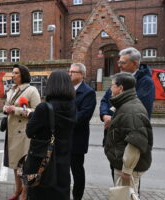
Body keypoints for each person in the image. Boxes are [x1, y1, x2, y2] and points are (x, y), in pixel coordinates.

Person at [100, 47, 155, 181]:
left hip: (128, 138)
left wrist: (112, 119)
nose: (119, 65)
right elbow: (105, 100)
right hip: (114, 139)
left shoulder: (145, 82)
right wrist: (104, 115)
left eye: (122, 63)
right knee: (117, 181)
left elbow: (138, 110)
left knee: (129, 185)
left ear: (135, 63)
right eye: (118, 62)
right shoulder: (118, 79)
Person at [26, 69, 76, 200]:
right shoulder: (72, 106)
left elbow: (29, 132)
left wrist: (32, 116)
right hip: (64, 159)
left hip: (44, 160)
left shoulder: (44, 107)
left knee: (42, 193)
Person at [104, 72, 153, 195]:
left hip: (127, 169)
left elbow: (135, 142)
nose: (110, 88)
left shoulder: (131, 110)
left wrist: (127, 169)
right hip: (124, 166)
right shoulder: (126, 105)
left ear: (120, 88)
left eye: (112, 85)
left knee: (124, 197)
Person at [3, 64, 41, 200]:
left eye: (16, 73)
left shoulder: (31, 90)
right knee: (15, 163)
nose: (13, 75)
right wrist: (5, 109)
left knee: (24, 165)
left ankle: (25, 193)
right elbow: (7, 105)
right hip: (12, 131)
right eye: (12, 73)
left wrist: (16, 110)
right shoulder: (12, 90)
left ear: (23, 74)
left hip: (24, 133)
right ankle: (17, 189)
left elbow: (37, 111)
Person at [68, 63, 96, 200]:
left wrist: (63, 119)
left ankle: (77, 197)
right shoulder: (66, 89)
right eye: (69, 71)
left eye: (73, 71)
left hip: (77, 139)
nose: (70, 74)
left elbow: (83, 116)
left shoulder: (88, 92)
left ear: (82, 74)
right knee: (62, 170)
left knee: (77, 170)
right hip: (63, 137)